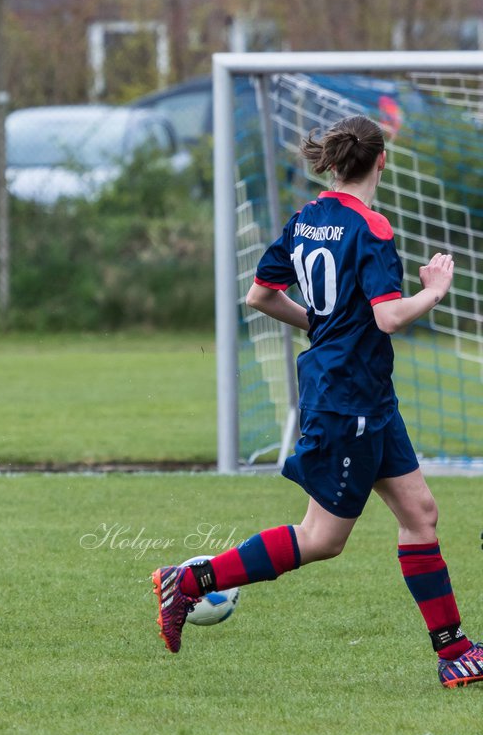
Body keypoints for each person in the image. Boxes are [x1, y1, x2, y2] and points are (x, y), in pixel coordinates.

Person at [151, 114, 483, 688]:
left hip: (365, 395)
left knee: (420, 513)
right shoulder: (372, 228)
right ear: (381, 161)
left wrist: (321, 324)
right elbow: (387, 317)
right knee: (322, 539)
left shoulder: (307, 220)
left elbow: (259, 294)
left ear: (334, 161)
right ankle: (189, 580)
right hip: (346, 398)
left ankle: (454, 652)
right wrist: (432, 291)